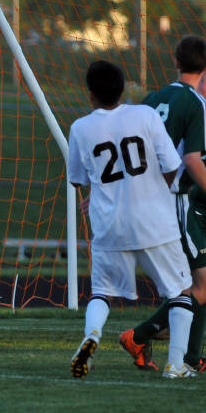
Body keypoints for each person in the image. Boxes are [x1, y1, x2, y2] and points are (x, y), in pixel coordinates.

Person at [68, 60, 194, 379]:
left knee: (101, 292)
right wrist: (154, 192)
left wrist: (103, 193)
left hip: (109, 225)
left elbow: (77, 179)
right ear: (123, 89)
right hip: (154, 221)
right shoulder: (145, 115)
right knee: (181, 291)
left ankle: (91, 337)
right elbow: (171, 165)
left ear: (90, 94)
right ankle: (176, 365)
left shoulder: (80, 127)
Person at [120, 35, 206, 373]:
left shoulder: (151, 100)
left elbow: (130, 153)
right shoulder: (195, 103)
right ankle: (157, 346)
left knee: (191, 283)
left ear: (175, 61)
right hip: (175, 201)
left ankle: (186, 356)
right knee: (197, 285)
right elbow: (192, 160)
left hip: (145, 200)